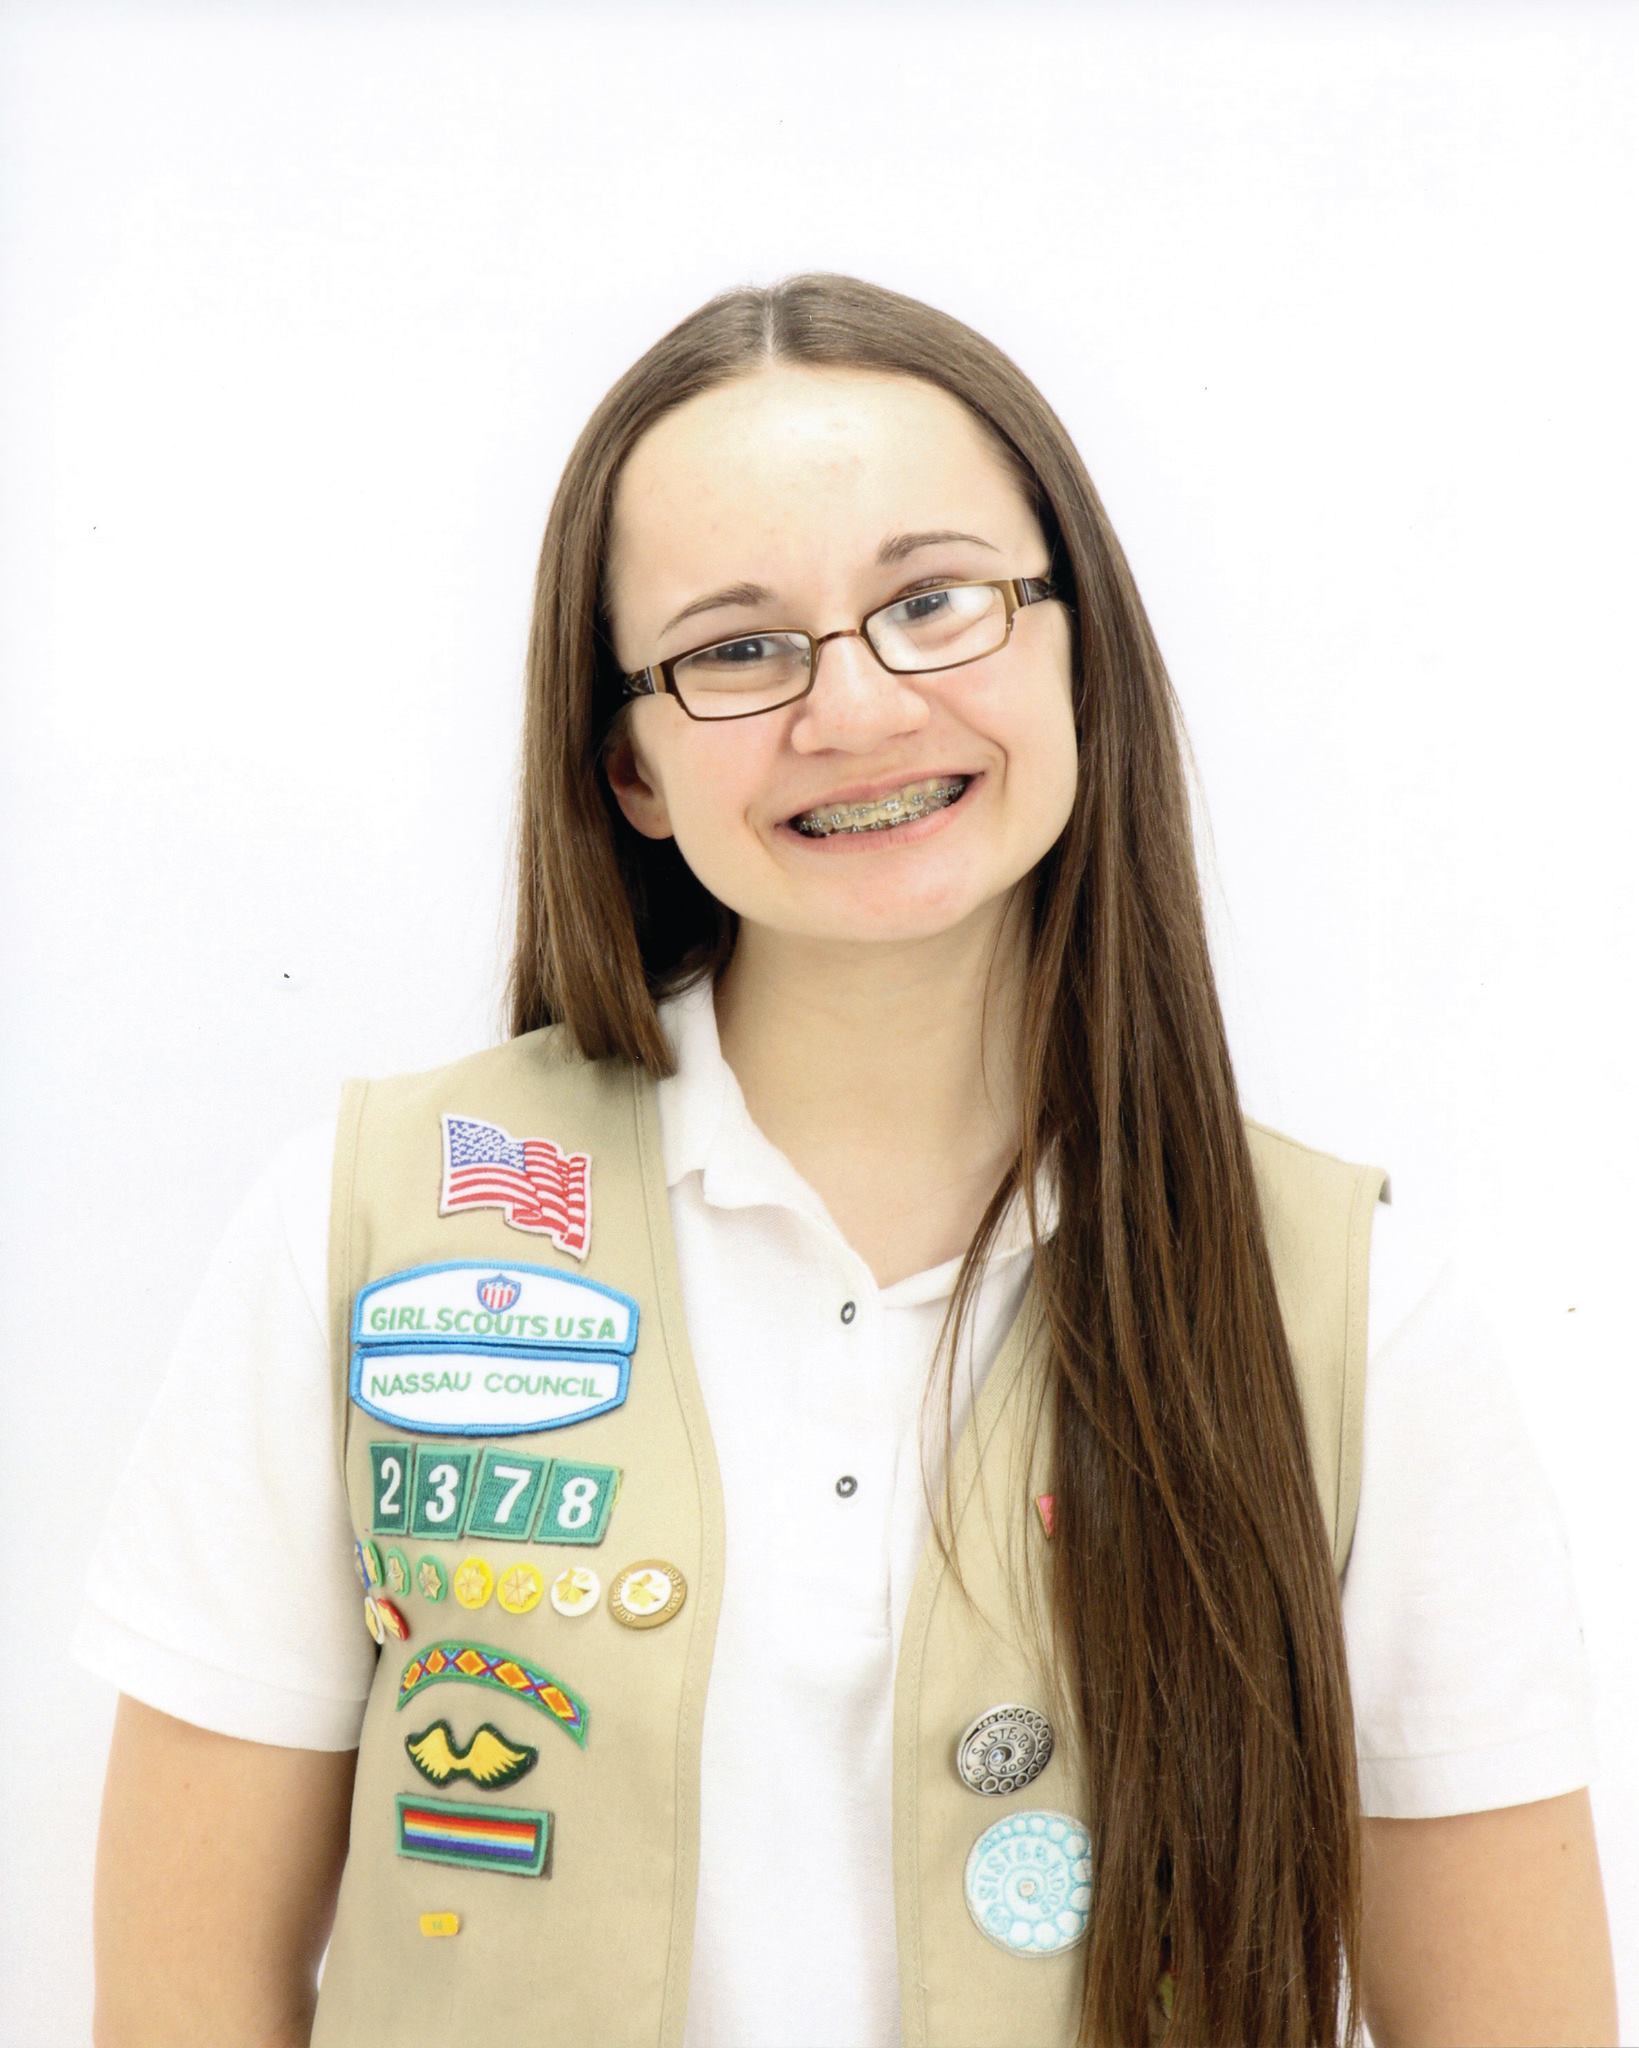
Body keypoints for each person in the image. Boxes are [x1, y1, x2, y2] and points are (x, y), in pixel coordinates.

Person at [79, 272, 1616, 2048]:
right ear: (630, 764)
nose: (859, 706)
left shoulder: (1348, 1308)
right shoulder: (365, 1225)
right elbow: (188, 2002)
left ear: (1076, 647)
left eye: (934, 600)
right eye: (736, 647)